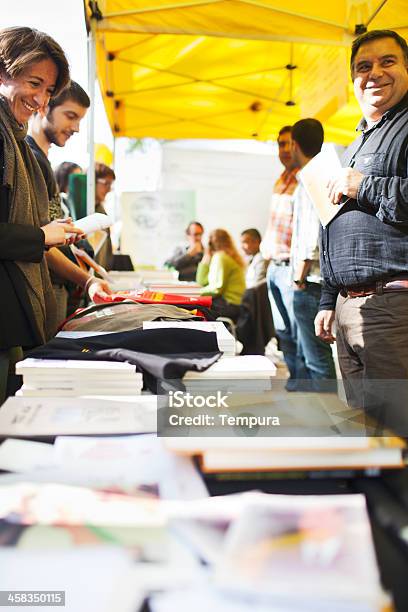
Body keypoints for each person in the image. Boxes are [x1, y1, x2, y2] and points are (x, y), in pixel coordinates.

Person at [314, 29, 408, 431]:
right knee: (367, 433)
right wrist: (327, 298)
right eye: (363, 67)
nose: (374, 74)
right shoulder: (353, 143)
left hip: (393, 306)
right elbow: (332, 226)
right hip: (349, 310)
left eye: (388, 61)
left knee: (396, 432)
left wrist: (363, 186)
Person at [0, 26, 83, 399]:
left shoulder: (14, 140)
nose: (40, 99)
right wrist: (41, 236)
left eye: (48, 90)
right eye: (33, 83)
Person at [27, 81, 109, 323]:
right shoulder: (31, 160)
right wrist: (87, 279)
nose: (76, 128)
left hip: (53, 290)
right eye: (70, 116)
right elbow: (40, 242)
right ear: (43, 107)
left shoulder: (42, 161)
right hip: (43, 290)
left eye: (80, 120)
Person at [290, 119, 336, 392]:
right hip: (318, 280)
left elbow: (309, 238)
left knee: (316, 358)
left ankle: (328, 421)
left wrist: (298, 279)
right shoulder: (323, 172)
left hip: (310, 281)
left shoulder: (310, 178)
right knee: (317, 356)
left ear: (295, 145)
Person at [260, 125, 303, 389]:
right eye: (280, 144)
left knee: (300, 335)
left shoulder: (304, 179)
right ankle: (296, 383)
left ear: (297, 146)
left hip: (291, 267)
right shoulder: (281, 178)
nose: (284, 150)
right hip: (274, 266)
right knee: (284, 333)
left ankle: (304, 388)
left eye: (288, 144)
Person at [196, 228, 246, 320]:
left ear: (210, 243)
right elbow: (202, 281)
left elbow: (216, 288)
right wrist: (206, 258)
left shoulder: (220, 257)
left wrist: (195, 294)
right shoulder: (226, 256)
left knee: (194, 309)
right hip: (234, 304)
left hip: (229, 304)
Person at [94, 162, 116, 271]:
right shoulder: (82, 210)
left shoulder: (100, 210)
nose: (108, 189)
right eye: (106, 183)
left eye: (110, 184)